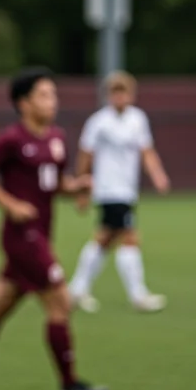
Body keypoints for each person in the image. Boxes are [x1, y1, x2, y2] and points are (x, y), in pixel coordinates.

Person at [0, 67, 109, 390]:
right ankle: (70, 383)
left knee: (0, 305)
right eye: (44, 95)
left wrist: (76, 186)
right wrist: (10, 204)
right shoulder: (11, 140)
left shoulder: (56, 138)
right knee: (60, 302)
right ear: (24, 103)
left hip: (41, 234)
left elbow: (54, 184)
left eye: (53, 95)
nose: (52, 102)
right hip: (22, 237)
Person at [68, 71, 171, 313]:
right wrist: (81, 189)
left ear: (132, 95)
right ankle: (138, 295)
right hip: (108, 189)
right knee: (129, 237)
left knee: (104, 239)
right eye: (115, 93)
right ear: (108, 96)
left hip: (127, 189)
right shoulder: (98, 122)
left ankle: (77, 289)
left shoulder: (138, 119)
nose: (119, 97)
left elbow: (147, 151)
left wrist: (157, 174)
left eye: (123, 92)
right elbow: (86, 155)